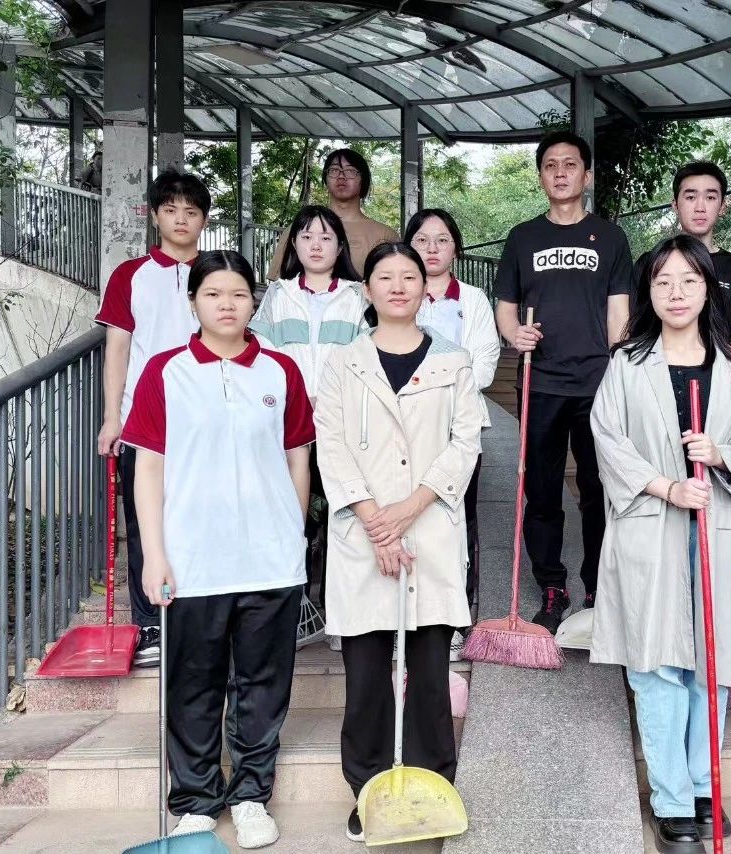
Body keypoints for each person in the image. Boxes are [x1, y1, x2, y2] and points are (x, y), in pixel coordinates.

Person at [122, 250, 314, 848]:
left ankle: (252, 795)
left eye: (238, 293)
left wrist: (293, 531)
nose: (226, 304)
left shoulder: (280, 371)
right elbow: (148, 468)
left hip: (269, 558)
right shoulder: (165, 371)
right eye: (213, 293)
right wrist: (155, 554)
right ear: (193, 302)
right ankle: (196, 801)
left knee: (263, 684)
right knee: (193, 684)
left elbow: (298, 458)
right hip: (193, 559)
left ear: (254, 300)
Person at [590, 235, 731, 853]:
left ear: (708, 289)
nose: (675, 293)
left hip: (713, 523)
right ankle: (670, 799)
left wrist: (718, 455)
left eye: (689, 280)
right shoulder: (627, 364)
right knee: (658, 661)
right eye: (662, 281)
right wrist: (666, 486)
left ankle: (703, 786)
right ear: (649, 291)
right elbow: (607, 437)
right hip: (650, 524)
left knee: (711, 665)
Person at [314, 242, 481, 843]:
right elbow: (331, 445)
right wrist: (375, 522)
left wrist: (407, 511)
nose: (398, 286)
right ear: (367, 290)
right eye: (385, 277)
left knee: (430, 675)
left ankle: (433, 786)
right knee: (365, 679)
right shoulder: (343, 363)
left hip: (429, 529)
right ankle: (367, 790)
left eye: (409, 276)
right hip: (363, 537)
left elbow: (465, 443)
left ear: (423, 288)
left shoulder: (453, 363)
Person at [494, 129, 633, 633]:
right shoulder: (522, 238)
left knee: (599, 487)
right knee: (542, 489)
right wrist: (515, 334)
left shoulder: (610, 238)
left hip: (596, 382)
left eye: (570, 164)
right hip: (541, 381)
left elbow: (619, 312)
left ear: (586, 175)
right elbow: (506, 306)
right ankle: (552, 585)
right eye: (550, 165)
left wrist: (619, 368)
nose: (560, 173)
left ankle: (598, 583)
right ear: (540, 176)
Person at [95, 169, 211, 668]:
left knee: (205, 516)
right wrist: (111, 418)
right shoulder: (131, 275)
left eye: (191, 211)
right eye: (171, 210)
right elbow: (118, 349)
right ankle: (150, 622)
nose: (181, 219)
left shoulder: (219, 271)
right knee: (145, 523)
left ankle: (202, 616)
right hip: (144, 421)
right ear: (156, 216)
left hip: (209, 418)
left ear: (204, 219)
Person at [251, 205, 370, 646]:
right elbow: (262, 350)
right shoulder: (278, 295)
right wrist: (298, 395)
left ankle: (340, 618)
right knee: (292, 515)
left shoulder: (359, 297)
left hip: (343, 424)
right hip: (289, 422)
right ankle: (295, 611)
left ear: (340, 247)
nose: (315, 245)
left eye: (325, 237)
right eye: (306, 237)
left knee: (344, 517)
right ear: (294, 246)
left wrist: (332, 396)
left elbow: (366, 354)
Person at [404, 208, 500, 660]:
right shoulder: (399, 292)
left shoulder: (474, 300)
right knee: (406, 516)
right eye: (422, 240)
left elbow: (483, 362)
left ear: (455, 248)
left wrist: (437, 394)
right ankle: (407, 614)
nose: (432, 248)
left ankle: (456, 617)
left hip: (459, 428)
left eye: (441, 240)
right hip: (403, 427)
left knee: (457, 519)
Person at [633, 162, 731, 352]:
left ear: (722, 206)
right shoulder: (650, 263)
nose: (700, 207)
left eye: (710, 197)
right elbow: (634, 328)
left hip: (721, 368)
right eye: (690, 197)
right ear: (675, 205)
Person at [265, 149, 396, 282]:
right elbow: (278, 285)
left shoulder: (385, 235)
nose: (341, 176)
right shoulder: (299, 229)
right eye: (334, 170)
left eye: (350, 171)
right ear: (325, 179)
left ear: (364, 180)